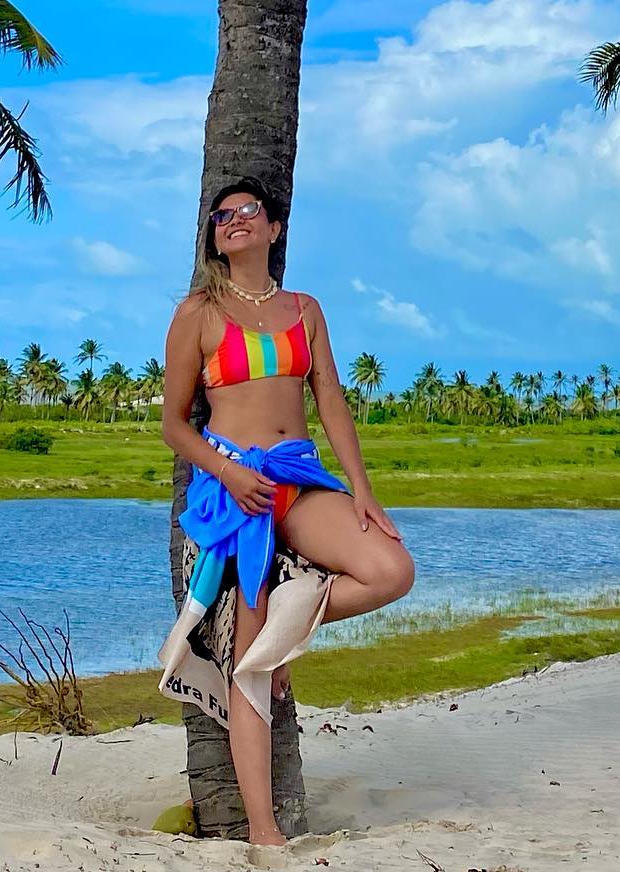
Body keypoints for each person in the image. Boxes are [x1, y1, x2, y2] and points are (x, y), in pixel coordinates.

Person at [160, 179, 415, 847]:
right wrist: (229, 472)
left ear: (274, 228)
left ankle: (287, 618)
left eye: (249, 211)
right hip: (234, 490)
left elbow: (330, 398)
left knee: (391, 569)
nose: (235, 220)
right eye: (223, 216)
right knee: (251, 667)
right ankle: (265, 834)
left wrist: (361, 489)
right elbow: (174, 424)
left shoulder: (305, 310)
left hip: (298, 479)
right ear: (215, 237)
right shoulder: (198, 313)